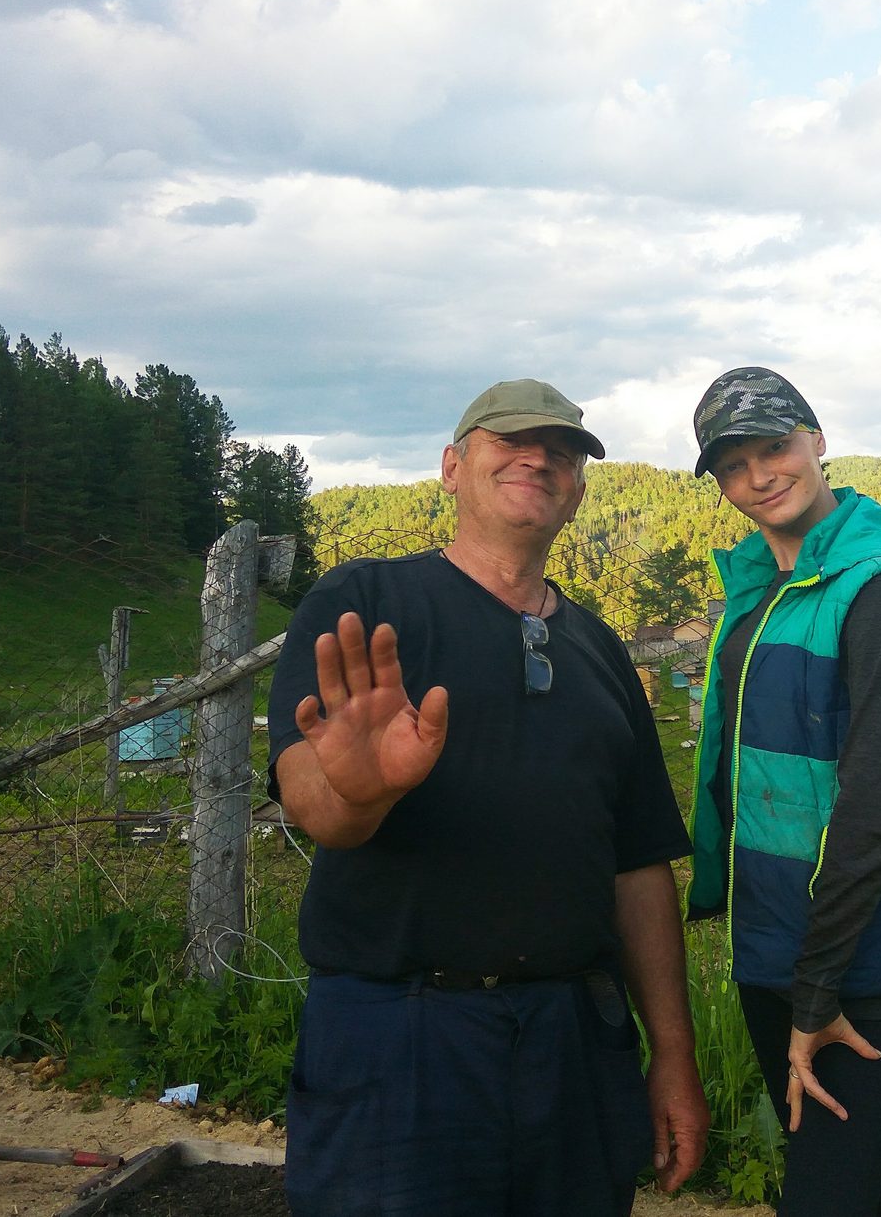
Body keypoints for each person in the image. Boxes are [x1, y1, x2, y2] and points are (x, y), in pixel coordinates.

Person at [267, 378, 709, 1217]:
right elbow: (311, 804)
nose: (539, 457)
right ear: (451, 466)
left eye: (564, 450)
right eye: (509, 439)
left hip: (576, 1038)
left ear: (577, 490)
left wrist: (673, 1054)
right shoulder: (365, 604)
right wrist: (359, 794)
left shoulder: (603, 654)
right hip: (399, 1033)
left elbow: (640, 869)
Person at [684, 367, 881, 1216]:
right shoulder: (760, 592)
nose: (760, 476)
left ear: (818, 442)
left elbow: (877, 799)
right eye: (734, 465)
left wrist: (818, 986)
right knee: (835, 1177)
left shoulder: (879, 586)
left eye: (775, 447)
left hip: (856, 949)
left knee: (824, 1192)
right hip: (778, 932)